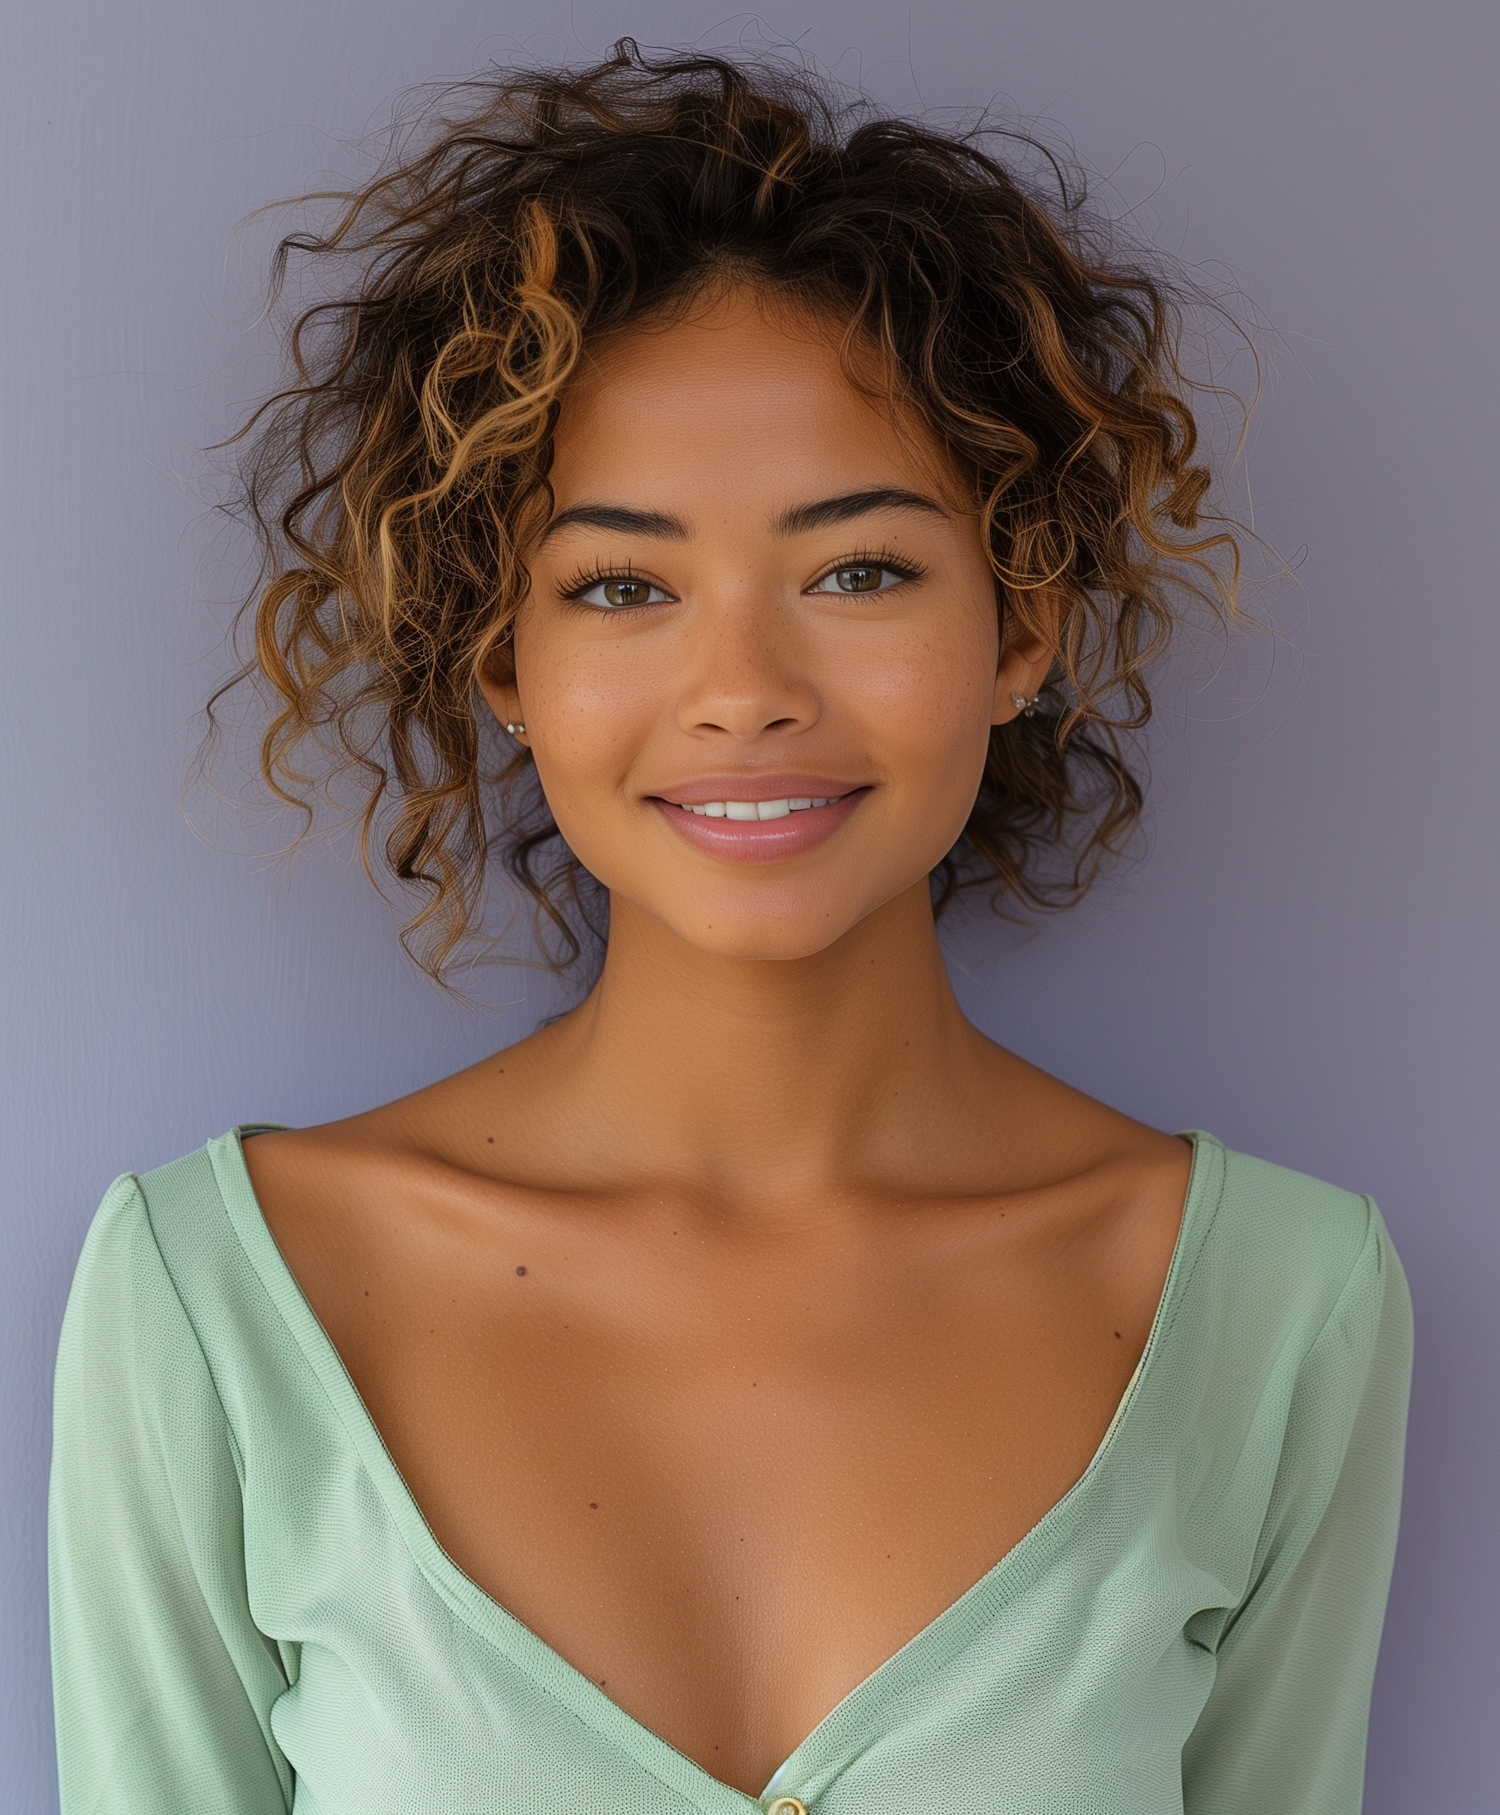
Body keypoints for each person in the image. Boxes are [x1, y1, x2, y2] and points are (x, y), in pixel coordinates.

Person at [48, 43, 1411, 1815]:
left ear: (1019, 628)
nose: (745, 689)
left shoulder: (1278, 1309)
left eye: (858, 571)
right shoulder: (215, 1301)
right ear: (503, 662)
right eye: (621, 583)